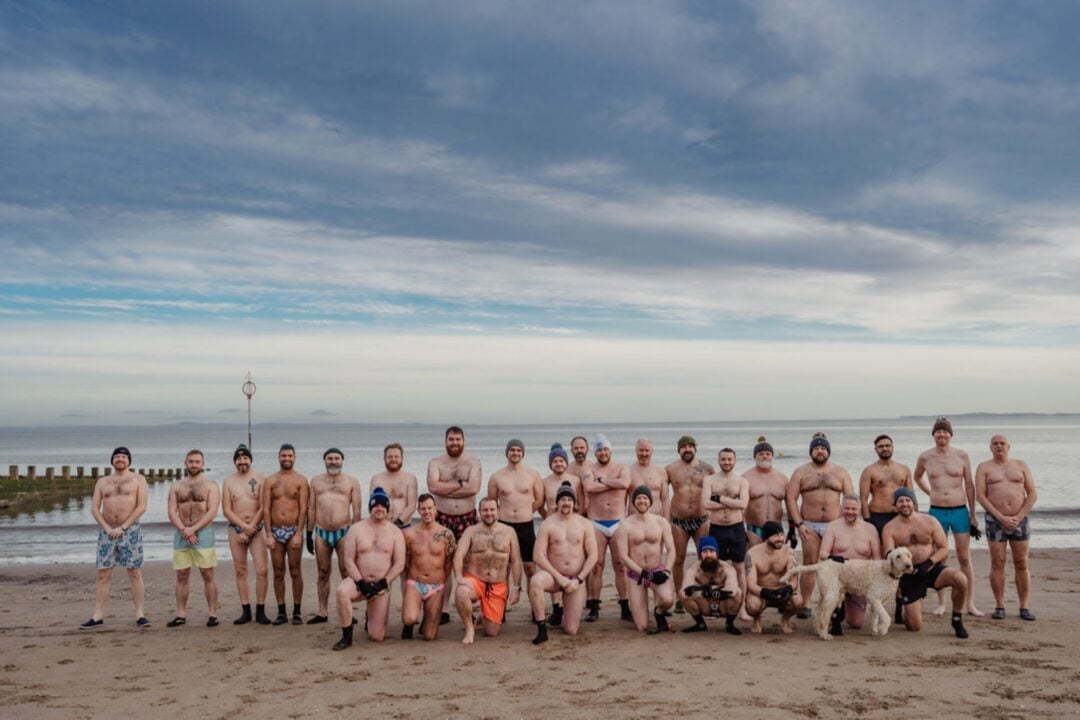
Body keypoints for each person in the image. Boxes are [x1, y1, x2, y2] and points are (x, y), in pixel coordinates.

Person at [913, 417, 983, 617]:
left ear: (951, 435)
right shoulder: (925, 457)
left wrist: (972, 514)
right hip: (936, 512)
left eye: (945, 432)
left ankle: (969, 603)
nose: (941, 435)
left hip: (959, 510)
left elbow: (969, 485)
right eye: (938, 431)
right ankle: (941, 603)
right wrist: (930, 492)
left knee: (964, 557)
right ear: (933, 434)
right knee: (939, 557)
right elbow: (916, 477)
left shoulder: (961, 455)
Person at [882, 488, 969, 639]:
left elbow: (943, 548)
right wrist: (905, 568)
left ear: (914, 503)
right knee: (914, 627)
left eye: (908, 500)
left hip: (931, 568)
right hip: (910, 575)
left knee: (960, 579)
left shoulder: (930, 521)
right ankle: (902, 602)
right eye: (900, 501)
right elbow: (889, 553)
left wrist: (928, 563)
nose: (905, 504)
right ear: (895, 505)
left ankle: (957, 620)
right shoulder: (890, 527)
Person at [81, 446, 149, 629]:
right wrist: (107, 528)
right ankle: (97, 616)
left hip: (130, 531)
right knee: (103, 573)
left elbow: (141, 506)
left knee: (134, 572)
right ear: (112, 460)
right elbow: (95, 508)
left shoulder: (138, 479)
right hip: (107, 533)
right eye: (117, 456)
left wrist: (123, 527)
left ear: (129, 461)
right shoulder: (103, 481)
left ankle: (140, 615)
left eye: (124, 457)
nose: (120, 459)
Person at [786, 433, 854, 614]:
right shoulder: (801, 472)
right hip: (810, 525)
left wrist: (848, 524)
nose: (820, 451)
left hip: (835, 525)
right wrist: (799, 524)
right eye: (816, 448)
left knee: (836, 565)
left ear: (828, 451)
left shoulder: (840, 472)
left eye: (823, 448)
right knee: (809, 563)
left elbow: (850, 499)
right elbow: (791, 499)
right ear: (811, 451)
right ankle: (806, 603)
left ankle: (834, 602)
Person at [332, 487, 406, 649]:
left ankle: (370, 615)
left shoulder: (395, 532)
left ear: (387, 508)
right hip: (358, 582)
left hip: (381, 586)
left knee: (377, 636)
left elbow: (399, 563)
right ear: (370, 507)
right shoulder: (356, 529)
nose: (379, 508)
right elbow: (348, 560)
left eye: (382, 506)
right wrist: (361, 582)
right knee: (341, 592)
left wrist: (384, 582)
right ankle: (346, 636)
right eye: (375, 505)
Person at [976, 435, 1038, 621]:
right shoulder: (984, 467)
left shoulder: (1021, 465)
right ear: (990, 447)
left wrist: (1019, 516)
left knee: (1021, 562)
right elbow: (981, 496)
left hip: (1020, 520)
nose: (999, 446)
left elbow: (1033, 493)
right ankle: (1000, 606)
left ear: (1009, 446)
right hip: (995, 520)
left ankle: (1024, 606)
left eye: (1002, 443)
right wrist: (1001, 517)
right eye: (995, 444)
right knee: (998, 563)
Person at [529, 481, 599, 644]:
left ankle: (564, 616)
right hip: (554, 577)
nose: (566, 503)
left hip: (575, 579)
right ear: (557, 502)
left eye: (569, 499)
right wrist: (559, 578)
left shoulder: (584, 524)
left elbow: (593, 556)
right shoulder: (548, 523)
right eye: (562, 499)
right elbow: (538, 555)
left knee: (571, 630)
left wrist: (579, 579)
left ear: (574, 503)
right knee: (536, 581)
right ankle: (541, 627)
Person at [427, 426, 482, 623]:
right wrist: (460, 485)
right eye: (451, 439)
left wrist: (446, 489)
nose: (455, 443)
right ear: (446, 441)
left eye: (458, 439)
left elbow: (474, 488)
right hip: (442, 518)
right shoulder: (436, 462)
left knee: (469, 563)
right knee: (444, 565)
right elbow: (433, 487)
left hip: (467, 518)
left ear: (464, 441)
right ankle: (444, 609)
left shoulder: (473, 462)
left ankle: (470, 604)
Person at [453, 497, 523, 645]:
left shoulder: (509, 532)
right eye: (485, 510)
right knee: (461, 592)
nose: (489, 513)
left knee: (491, 632)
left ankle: (483, 615)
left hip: (497, 585)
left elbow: (516, 560)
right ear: (479, 512)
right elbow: (459, 555)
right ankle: (469, 629)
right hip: (475, 580)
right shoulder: (471, 531)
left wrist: (517, 587)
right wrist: (459, 577)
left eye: (492, 510)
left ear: (498, 511)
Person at [306, 447, 362, 624]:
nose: (333, 461)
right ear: (324, 461)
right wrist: (308, 533)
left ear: (342, 460)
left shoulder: (351, 482)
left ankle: (348, 612)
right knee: (323, 573)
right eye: (330, 458)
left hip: (344, 532)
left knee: (347, 572)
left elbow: (357, 511)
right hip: (321, 532)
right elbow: (311, 508)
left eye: (337, 458)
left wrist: (355, 535)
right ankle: (322, 612)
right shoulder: (315, 481)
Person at [166, 450, 220, 627]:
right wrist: (184, 530)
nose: (194, 464)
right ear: (185, 463)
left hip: (203, 534)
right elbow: (171, 511)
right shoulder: (176, 486)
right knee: (182, 575)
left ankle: (212, 614)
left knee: (207, 573)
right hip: (181, 534)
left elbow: (212, 511)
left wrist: (194, 529)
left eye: (197, 462)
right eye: (191, 461)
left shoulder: (210, 485)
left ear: (203, 464)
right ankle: (181, 614)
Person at [581, 433, 632, 622]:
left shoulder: (621, 467)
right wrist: (613, 484)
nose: (602, 453)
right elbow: (588, 487)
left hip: (618, 522)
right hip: (596, 522)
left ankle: (625, 606)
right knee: (597, 566)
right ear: (595, 453)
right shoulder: (589, 468)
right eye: (599, 450)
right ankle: (594, 606)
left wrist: (601, 481)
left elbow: (625, 483)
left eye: (605, 449)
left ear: (610, 451)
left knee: (621, 566)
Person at [613, 485, 677, 633]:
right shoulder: (625, 524)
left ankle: (659, 612)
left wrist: (667, 571)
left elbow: (671, 550)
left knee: (667, 600)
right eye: (639, 498)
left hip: (658, 570)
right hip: (636, 575)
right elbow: (623, 556)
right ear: (633, 502)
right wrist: (644, 573)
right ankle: (642, 612)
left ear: (650, 501)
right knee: (641, 626)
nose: (642, 501)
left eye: (645, 498)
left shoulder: (661, 522)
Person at [221, 444, 271, 625]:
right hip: (236, 530)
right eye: (239, 459)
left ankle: (261, 610)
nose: (242, 462)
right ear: (235, 461)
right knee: (241, 570)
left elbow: (264, 506)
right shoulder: (228, 481)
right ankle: (245, 610)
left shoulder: (261, 479)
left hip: (256, 529)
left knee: (262, 570)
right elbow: (226, 509)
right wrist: (243, 527)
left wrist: (252, 527)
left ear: (250, 460)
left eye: (245, 458)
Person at [818, 494, 882, 635]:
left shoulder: (870, 529)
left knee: (856, 623)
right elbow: (822, 554)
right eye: (847, 508)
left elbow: (877, 560)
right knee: (833, 605)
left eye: (854, 509)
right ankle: (835, 612)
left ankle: (846, 608)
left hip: (859, 579)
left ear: (859, 509)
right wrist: (833, 557)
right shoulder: (833, 526)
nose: (850, 512)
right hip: (837, 575)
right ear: (841, 508)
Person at [664, 435, 713, 612]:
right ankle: (680, 596)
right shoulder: (670, 469)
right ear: (679, 450)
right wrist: (662, 518)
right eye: (683, 447)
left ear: (695, 449)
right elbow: (660, 495)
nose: (687, 449)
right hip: (679, 521)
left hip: (702, 520)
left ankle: (702, 593)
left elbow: (719, 489)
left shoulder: (707, 468)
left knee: (705, 559)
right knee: (678, 558)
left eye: (690, 446)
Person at [262, 443, 309, 626]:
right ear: (279, 457)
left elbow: (304, 508)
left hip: (293, 531)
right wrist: (268, 534)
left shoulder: (301, 480)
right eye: (283, 456)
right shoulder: (270, 481)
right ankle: (281, 611)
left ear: (295, 457)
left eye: (290, 455)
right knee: (278, 571)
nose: (286, 458)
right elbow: (265, 509)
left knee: (295, 570)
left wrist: (299, 533)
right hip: (275, 530)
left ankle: (296, 611)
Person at [702, 448, 750, 620]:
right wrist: (732, 503)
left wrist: (720, 499)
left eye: (730, 459)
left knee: (739, 568)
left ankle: (742, 607)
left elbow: (743, 504)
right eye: (723, 459)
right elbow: (706, 503)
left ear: (735, 460)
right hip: (716, 528)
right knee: (716, 569)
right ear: (718, 460)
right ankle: (715, 608)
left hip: (736, 528)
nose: (727, 462)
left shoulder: (742, 481)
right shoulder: (710, 480)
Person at [401, 494, 456, 640]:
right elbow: (405, 560)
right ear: (418, 510)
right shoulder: (409, 534)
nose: (427, 512)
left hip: (436, 586)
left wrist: (441, 581)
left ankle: (428, 618)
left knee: (429, 636)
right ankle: (409, 624)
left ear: (436, 509)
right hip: (415, 583)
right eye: (423, 509)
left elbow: (449, 562)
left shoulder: (446, 534)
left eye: (430, 508)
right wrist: (409, 580)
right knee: (409, 618)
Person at [487, 439, 544, 579]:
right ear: (507, 453)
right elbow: (492, 503)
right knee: (503, 567)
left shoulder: (533, 475)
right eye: (512, 450)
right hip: (504, 526)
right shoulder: (496, 477)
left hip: (526, 526)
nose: (515, 453)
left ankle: (532, 600)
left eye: (519, 450)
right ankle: (501, 601)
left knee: (530, 567)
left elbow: (540, 500)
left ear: (523, 453)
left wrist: (525, 511)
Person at [744, 521, 804, 634]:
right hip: (761, 591)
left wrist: (787, 590)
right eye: (776, 536)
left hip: (780, 589)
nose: (780, 538)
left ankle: (785, 619)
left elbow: (794, 581)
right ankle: (757, 619)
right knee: (752, 605)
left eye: (782, 534)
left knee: (798, 600)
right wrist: (765, 593)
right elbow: (751, 584)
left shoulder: (789, 552)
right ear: (766, 537)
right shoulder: (752, 554)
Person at [679, 536, 742, 635]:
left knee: (738, 592)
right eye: (705, 552)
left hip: (723, 606)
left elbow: (732, 590)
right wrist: (706, 591)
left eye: (712, 551)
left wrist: (704, 589)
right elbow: (684, 592)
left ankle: (729, 624)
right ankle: (700, 624)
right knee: (683, 594)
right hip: (705, 605)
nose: (708, 555)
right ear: (700, 554)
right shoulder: (694, 569)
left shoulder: (727, 568)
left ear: (717, 553)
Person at [858, 434, 913, 538]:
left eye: (888, 445)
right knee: (881, 549)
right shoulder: (869, 471)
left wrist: (915, 516)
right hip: (878, 516)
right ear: (875, 449)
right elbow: (863, 499)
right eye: (881, 446)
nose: (885, 448)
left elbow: (911, 495)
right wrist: (867, 520)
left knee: (902, 548)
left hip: (900, 514)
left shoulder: (904, 469)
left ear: (892, 447)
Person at [743, 437, 789, 547]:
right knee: (754, 561)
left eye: (768, 453)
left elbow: (789, 503)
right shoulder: (746, 478)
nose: (764, 456)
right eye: (761, 454)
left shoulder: (782, 478)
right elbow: (740, 507)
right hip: (754, 528)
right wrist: (741, 529)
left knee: (776, 562)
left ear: (772, 456)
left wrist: (792, 528)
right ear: (755, 457)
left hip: (776, 528)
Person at [371, 443, 417, 529]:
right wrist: (386, 524)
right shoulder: (376, 479)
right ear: (384, 459)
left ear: (402, 458)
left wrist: (398, 523)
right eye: (390, 457)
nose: (393, 459)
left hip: (404, 526)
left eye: (397, 457)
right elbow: (373, 504)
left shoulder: (410, 478)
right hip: (382, 526)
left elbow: (412, 505)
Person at [629, 439, 670, 518]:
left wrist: (667, 521)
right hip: (634, 521)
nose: (644, 454)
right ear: (636, 451)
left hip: (656, 519)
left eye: (647, 450)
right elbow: (622, 500)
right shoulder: (628, 471)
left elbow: (665, 500)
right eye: (641, 450)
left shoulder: (660, 472)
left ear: (652, 451)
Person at [567, 435, 593, 516]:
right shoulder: (567, 470)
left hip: (593, 513)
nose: (579, 450)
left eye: (582, 448)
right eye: (576, 448)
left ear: (587, 449)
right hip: (574, 514)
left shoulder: (594, 468)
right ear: (571, 450)